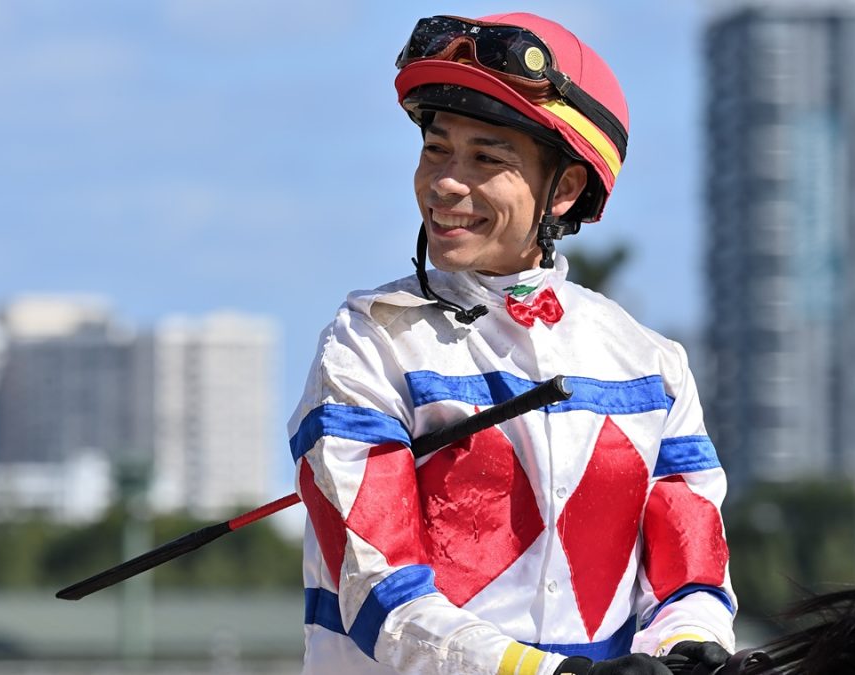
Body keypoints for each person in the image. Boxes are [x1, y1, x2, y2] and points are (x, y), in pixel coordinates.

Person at [288, 12, 736, 675]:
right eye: (436, 149)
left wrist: (688, 648)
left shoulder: (652, 363)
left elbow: (692, 579)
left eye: (485, 159)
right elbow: (382, 595)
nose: (444, 183)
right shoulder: (366, 344)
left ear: (567, 189)